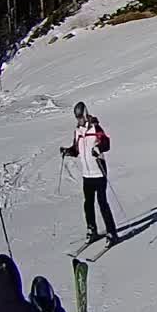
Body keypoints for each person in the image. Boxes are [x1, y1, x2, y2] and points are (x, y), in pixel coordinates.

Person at [61, 103, 117, 245]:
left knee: (102, 203)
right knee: (88, 204)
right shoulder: (78, 131)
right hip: (87, 174)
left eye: (80, 117)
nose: (79, 120)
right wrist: (68, 151)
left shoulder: (95, 127)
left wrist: (98, 147)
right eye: (77, 117)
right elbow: (76, 149)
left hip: (98, 171)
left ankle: (112, 232)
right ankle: (92, 230)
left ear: (85, 114)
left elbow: (106, 142)